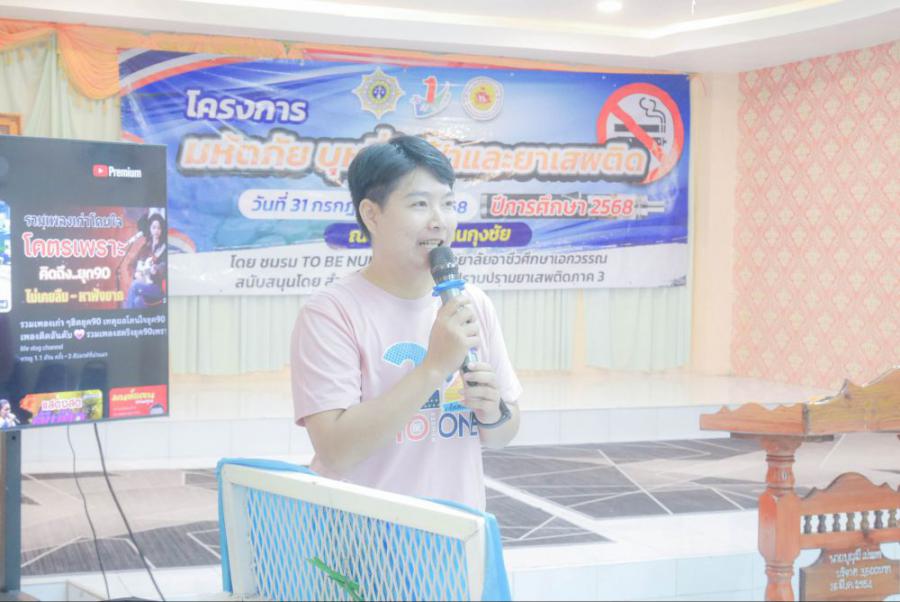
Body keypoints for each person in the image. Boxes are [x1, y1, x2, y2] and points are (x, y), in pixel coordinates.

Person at [291, 136, 522, 510]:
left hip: (456, 530)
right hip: (363, 533)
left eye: (448, 204)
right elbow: (336, 452)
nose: (439, 220)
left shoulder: (471, 302)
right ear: (372, 214)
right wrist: (434, 368)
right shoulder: (331, 312)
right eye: (419, 204)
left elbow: (503, 435)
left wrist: (494, 412)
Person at [125, 211, 167, 309]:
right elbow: (131, 265)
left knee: (135, 286)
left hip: (158, 288)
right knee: (137, 301)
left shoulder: (164, 248)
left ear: (162, 230)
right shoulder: (145, 247)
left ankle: (126, 315)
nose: (156, 230)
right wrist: (136, 274)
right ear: (150, 229)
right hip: (145, 285)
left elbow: (164, 266)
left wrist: (157, 269)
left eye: (159, 228)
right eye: (154, 227)